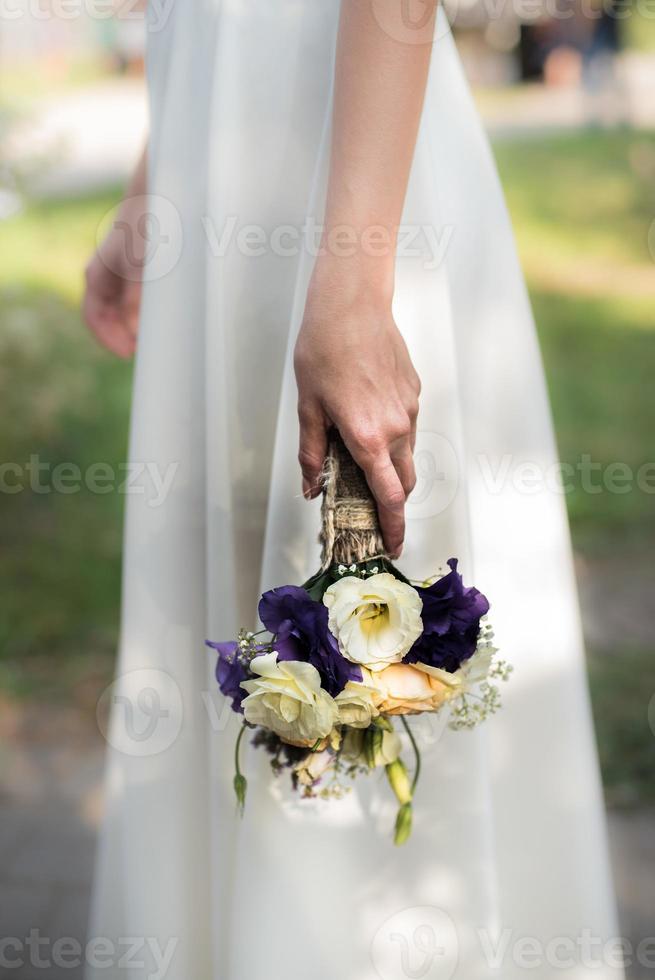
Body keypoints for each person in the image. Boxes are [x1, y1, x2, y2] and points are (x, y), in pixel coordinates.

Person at [83, 3, 623, 978]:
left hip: (351, 191)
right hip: (224, 175)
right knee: (246, 636)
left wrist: (353, 293)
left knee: (361, 648)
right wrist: (152, 185)